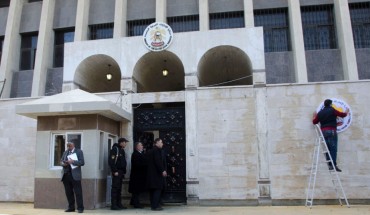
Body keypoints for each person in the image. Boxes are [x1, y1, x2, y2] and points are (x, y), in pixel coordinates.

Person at [313, 99, 349, 172]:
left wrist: (314, 116)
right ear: (330, 104)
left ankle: (329, 165)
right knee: (333, 148)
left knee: (327, 149)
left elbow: (314, 122)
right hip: (331, 131)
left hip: (323, 132)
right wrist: (346, 112)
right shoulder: (332, 110)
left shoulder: (320, 113)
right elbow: (342, 115)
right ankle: (333, 165)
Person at [60, 142, 85, 213]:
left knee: (78, 192)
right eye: (68, 146)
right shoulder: (65, 152)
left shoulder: (79, 151)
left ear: (73, 145)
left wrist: (73, 162)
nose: (69, 147)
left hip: (75, 175)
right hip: (66, 175)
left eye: (70, 146)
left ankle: (80, 208)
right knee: (68, 193)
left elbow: (82, 162)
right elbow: (61, 161)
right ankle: (71, 207)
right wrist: (63, 164)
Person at [146, 138, 167, 211]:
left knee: (152, 191)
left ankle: (153, 205)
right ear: (157, 143)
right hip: (156, 174)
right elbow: (158, 162)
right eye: (161, 142)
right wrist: (162, 170)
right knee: (157, 190)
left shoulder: (150, 151)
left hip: (150, 174)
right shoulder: (156, 151)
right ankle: (155, 206)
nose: (162, 144)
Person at [108, 137, 128, 210]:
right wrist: (114, 171)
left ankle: (119, 204)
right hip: (117, 172)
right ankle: (114, 205)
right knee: (115, 188)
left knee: (119, 189)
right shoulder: (115, 149)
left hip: (121, 172)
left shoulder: (121, 150)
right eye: (125, 142)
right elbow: (111, 161)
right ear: (121, 142)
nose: (125, 144)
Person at [128, 142, 147, 208]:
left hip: (139, 175)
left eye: (142, 145)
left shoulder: (141, 153)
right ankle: (136, 204)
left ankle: (133, 202)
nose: (142, 146)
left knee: (136, 190)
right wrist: (145, 164)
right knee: (136, 191)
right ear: (137, 147)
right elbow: (137, 164)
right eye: (141, 145)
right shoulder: (135, 154)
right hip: (136, 176)